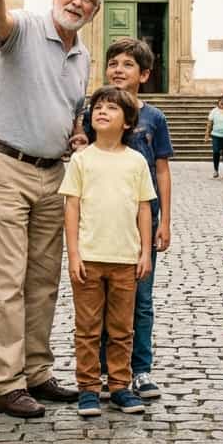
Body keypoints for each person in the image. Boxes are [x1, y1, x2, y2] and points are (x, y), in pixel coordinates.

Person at [0, 0, 101, 418]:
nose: (77, 3)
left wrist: (76, 135)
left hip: (53, 173)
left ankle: (37, 371)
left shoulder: (83, 56)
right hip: (5, 165)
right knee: (6, 280)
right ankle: (7, 383)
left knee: (43, 282)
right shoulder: (24, 27)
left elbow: (69, 111)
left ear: (96, 10)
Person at [81, 37, 174, 400]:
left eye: (128, 65)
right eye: (113, 63)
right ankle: (106, 370)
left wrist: (164, 221)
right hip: (102, 219)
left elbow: (162, 171)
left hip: (142, 220)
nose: (118, 70)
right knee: (101, 297)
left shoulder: (154, 118)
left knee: (141, 298)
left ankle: (141, 369)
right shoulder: (96, 111)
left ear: (145, 74)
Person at [61, 86, 156, 417]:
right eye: (98, 107)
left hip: (125, 260)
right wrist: (73, 254)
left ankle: (119, 385)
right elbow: (71, 208)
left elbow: (144, 209)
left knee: (121, 328)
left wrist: (145, 252)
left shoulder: (137, 162)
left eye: (112, 109)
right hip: (88, 258)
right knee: (87, 327)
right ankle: (88, 388)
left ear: (128, 122)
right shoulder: (81, 160)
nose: (102, 112)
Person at [205, 96, 223, 179]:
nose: (222, 102)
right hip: (216, 136)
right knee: (216, 152)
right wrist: (207, 135)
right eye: (220, 101)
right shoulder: (214, 111)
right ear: (218, 102)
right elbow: (209, 123)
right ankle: (216, 171)